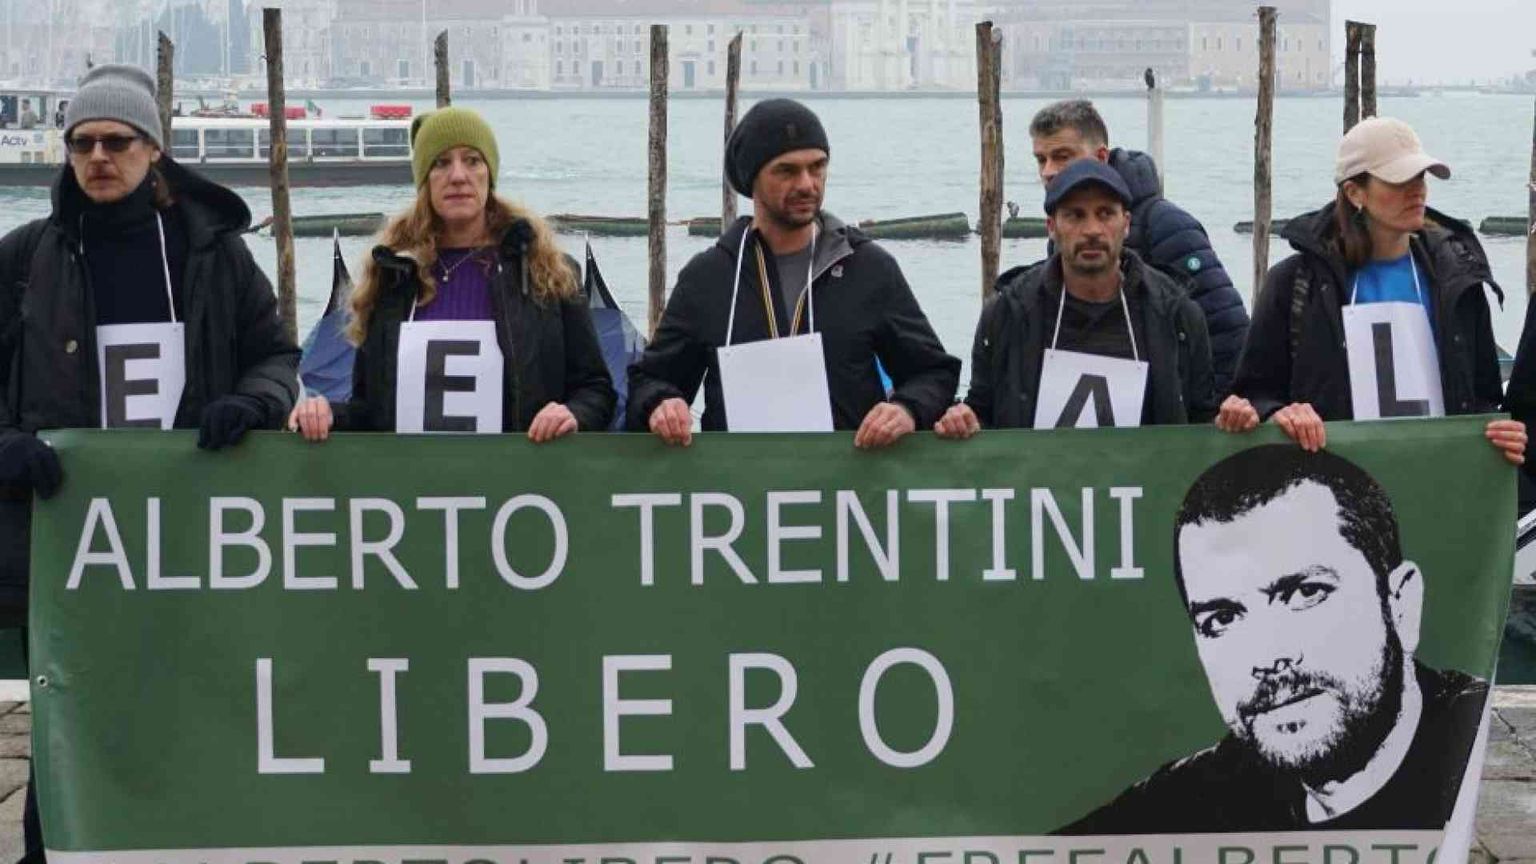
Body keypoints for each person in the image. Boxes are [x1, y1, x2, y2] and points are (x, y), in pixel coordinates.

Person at [0, 62, 300, 863]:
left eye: (117, 141)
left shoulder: (215, 256)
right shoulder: (24, 259)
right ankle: (53, 851)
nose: (99, 156)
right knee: (70, 715)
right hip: (67, 538)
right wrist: (8, 446)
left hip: (190, 529)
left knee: (193, 702)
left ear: (154, 152)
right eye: (82, 142)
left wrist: (255, 404)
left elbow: (275, 355)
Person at [1060, 445, 1488, 834]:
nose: (1268, 656)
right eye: (1222, 618)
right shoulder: (1216, 787)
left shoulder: (1474, 753)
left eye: (1306, 594)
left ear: (1401, 604)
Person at [627, 98, 959, 447]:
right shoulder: (709, 277)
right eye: (787, 171)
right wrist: (661, 404)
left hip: (851, 489)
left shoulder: (869, 268)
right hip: (741, 490)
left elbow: (933, 373)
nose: (807, 184)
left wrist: (907, 409)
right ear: (751, 179)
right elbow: (648, 380)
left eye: (817, 167)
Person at [288, 106, 614, 441]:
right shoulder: (393, 276)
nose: (458, 176)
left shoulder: (547, 271)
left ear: (490, 174)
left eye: (472, 160)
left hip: (521, 485)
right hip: (414, 487)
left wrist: (573, 414)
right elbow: (371, 412)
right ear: (424, 180)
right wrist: (327, 413)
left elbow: (597, 391)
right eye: (441, 163)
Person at [1217, 117, 1525, 466]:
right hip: (1331, 484)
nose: (1418, 190)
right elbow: (1253, 394)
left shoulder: (1460, 279)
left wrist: (1502, 432)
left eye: (1421, 176)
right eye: (1400, 180)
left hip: (1438, 481)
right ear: (1354, 192)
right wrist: (1281, 414)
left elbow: (1482, 398)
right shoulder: (1292, 285)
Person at [936, 159, 1215, 436]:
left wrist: (1234, 417)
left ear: (1126, 223)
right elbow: (983, 411)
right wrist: (963, 421)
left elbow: (1203, 421)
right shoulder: (1007, 312)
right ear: (1051, 226)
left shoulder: (1177, 314)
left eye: (1105, 213)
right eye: (1075, 215)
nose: (1092, 230)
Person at [1028, 99, 1248, 397]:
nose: (1048, 172)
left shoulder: (1167, 225)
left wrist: (1205, 417)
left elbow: (1227, 331)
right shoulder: (1061, 234)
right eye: (1041, 160)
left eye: (1062, 157)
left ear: (1101, 156)